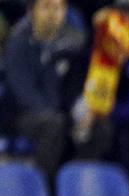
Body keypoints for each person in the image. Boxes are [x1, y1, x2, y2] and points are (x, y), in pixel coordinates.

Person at [4, 0, 92, 179]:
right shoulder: (17, 42)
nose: (53, 13)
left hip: (61, 113)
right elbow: (22, 91)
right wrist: (57, 115)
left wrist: (81, 111)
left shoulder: (74, 43)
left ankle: (77, 181)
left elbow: (78, 85)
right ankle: (44, 184)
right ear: (32, 11)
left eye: (58, 8)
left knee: (99, 126)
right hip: (22, 115)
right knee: (53, 125)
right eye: (46, 7)